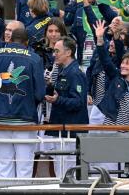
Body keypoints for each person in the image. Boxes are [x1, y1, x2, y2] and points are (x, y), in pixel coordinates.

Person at [0, 27, 45, 178]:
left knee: (3, 166)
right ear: (26, 43)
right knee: (24, 167)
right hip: (25, 119)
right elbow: (40, 94)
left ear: (9, 40)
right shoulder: (34, 58)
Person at [93, 20, 129, 125]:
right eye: (122, 63)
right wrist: (100, 38)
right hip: (112, 128)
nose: (122, 66)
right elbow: (105, 60)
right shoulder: (116, 77)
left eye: (127, 63)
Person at [44, 36, 88, 176]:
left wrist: (58, 100)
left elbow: (78, 102)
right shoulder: (63, 71)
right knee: (60, 167)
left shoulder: (75, 73)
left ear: (68, 52)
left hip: (71, 130)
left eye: (57, 51)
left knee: (68, 169)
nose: (54, 54)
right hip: (62, 128)